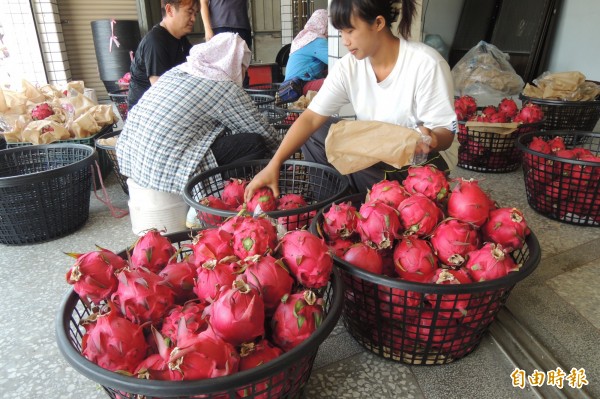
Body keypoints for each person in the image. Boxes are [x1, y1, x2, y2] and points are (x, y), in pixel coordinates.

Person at [246, 0, 456, 200]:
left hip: (419, 168)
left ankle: (371, 205)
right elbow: (310, 119)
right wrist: (274, 164)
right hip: (378, 158)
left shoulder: (426, 64)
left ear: (379, 23)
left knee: (360, 164)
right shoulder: (349, 67)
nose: (345, 41)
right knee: (317, 132)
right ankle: (337, 213)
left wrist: (433, 139)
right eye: (340, 32)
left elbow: (446, 134)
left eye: (350, 30)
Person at [116, 33, 280, 234]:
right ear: (233, 62)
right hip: (164, 165)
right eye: (243, 67)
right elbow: (262, 131)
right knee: (255, 143)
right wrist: (283, 159)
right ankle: (205, 205)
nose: (244, 74)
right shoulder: (222, 86)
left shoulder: (179, 72)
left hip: (135, 159)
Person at [127, 0, 199, 109]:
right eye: (189, 12)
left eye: (195, 14)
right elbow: (160, 93)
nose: (193, 19)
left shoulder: (181, 39)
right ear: (170, 10)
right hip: (148, 112)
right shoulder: (155, 42)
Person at [281, 9, 329, 94]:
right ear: (324, 24)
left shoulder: (305, 37)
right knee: (335, 82)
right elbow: (335, 60)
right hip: (298, 86)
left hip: (288, 88)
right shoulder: (315, 39)